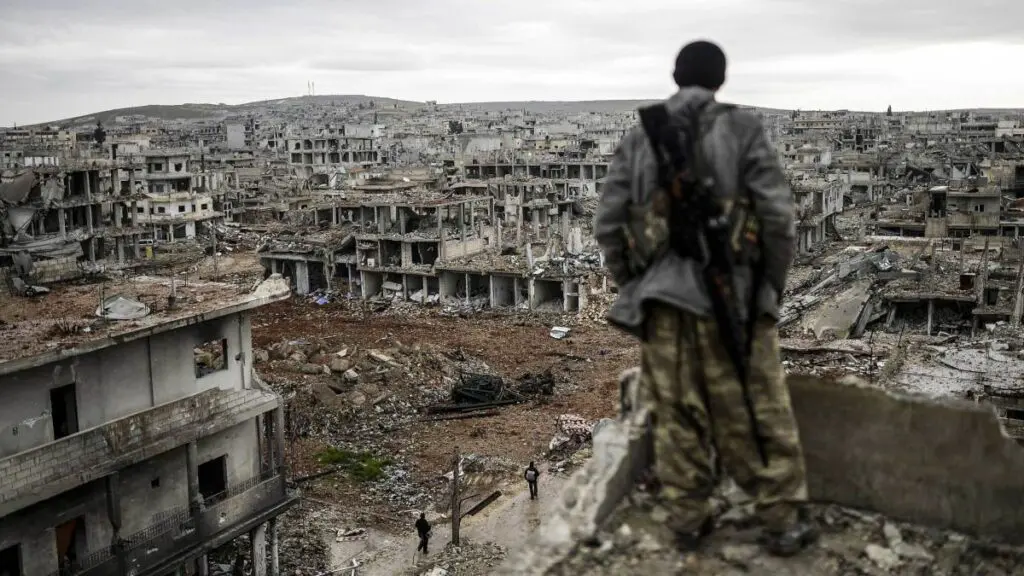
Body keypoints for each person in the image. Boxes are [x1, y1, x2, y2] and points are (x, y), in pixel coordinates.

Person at [594, 40, 817, 557]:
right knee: (757, 407)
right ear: (721, 79)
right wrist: (768, 290)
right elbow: (779, 221)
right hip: (733, 298)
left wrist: (636, 284)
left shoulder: (640, 135)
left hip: (664, 304)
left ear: (675, 76)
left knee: (677, 411)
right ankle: (781, 520)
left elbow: (609, 225)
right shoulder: (743, 130)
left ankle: (688, 518)